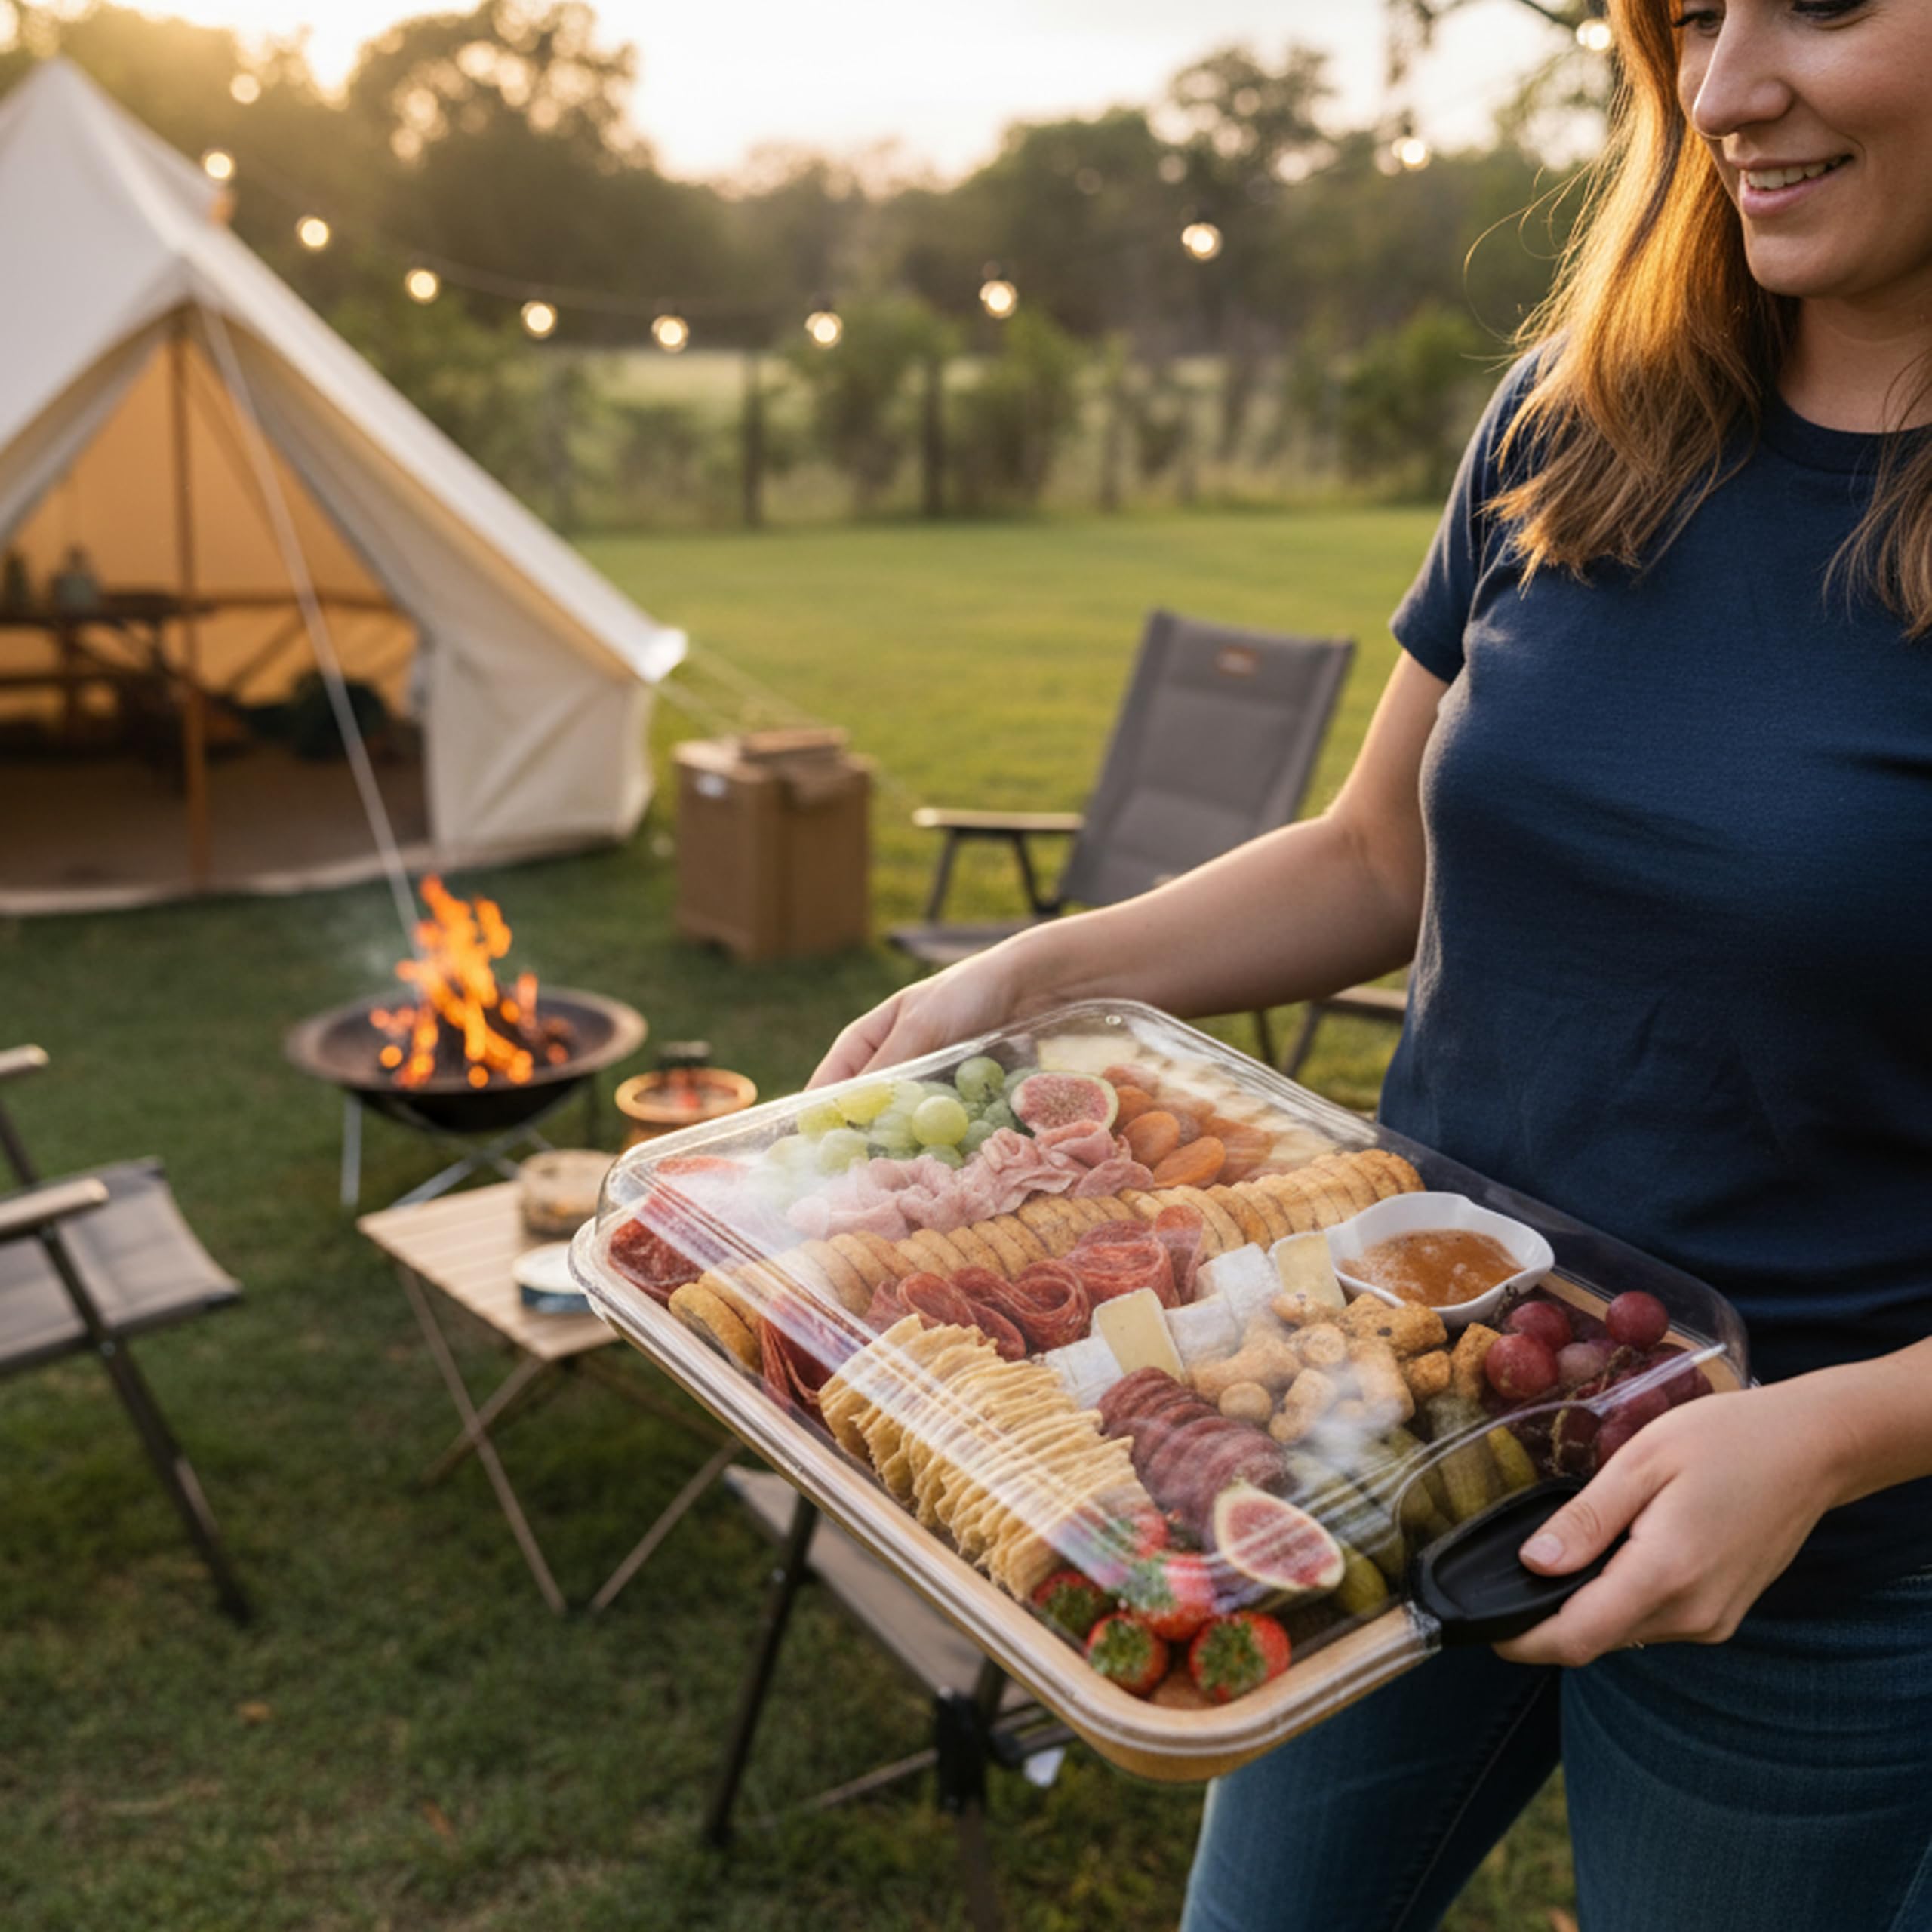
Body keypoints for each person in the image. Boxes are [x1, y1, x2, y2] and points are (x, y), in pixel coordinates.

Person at [811, 2, 1932, 1924]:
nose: (1723, 85)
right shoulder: (1576, 409)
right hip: (1380, 1413)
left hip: (1817, 1561)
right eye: (1685, 15)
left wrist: (1830, 1435)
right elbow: (1372, 852)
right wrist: (1039, 971)